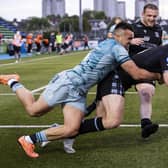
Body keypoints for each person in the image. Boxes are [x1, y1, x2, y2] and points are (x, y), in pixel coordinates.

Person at [0, 22, 160, 158]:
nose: (130, 42)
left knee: (72, 129)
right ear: (118, 36)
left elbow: (118, 50)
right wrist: (158, 75)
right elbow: (135, 73)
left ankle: (28, 140)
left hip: (79, 91)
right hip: (67, 83)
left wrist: (131, 44)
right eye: (129, 38)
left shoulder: (110, 43)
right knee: (33, 111)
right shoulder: (117, 48)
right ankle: (12, 81)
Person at [42, 44, 168, 151]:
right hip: (115, 77)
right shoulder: (166, 51)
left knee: (101, 118)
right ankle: (61, 131)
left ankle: (63, 131)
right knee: (110, 120)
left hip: (122, 79)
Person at [128, 3, 162, 136]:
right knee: (105, 107)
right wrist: (129, 41)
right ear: (142, 14)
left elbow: (159, 51)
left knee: (147, 92)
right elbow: (114, 40)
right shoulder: (132, 27)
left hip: (146, 70)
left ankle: (146, 124)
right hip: (128, 68)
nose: (152, 18)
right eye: (149, 15)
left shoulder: (159, 30)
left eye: (154, 16)